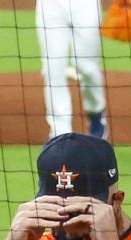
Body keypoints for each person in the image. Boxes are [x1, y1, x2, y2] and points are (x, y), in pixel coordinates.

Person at [37, 0, 109, 139]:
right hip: (50, 5)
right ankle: (60, 134)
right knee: (53, 68)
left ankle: (96, 113)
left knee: (87, 67)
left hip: (85, 5)